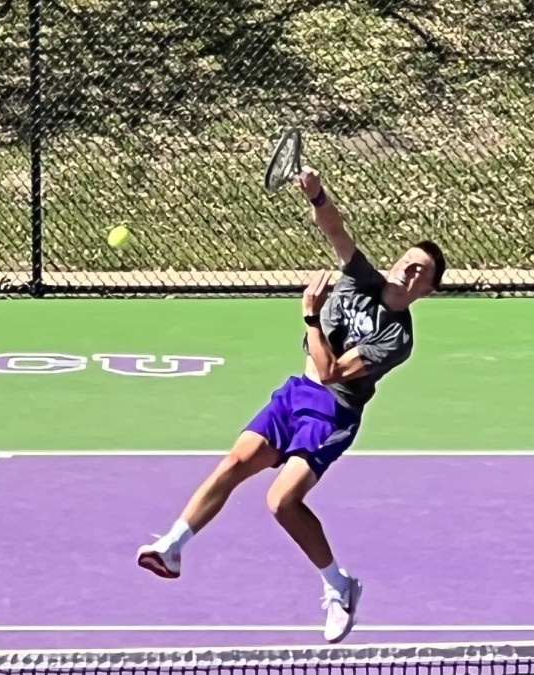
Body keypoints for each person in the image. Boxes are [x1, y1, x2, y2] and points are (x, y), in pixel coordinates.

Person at [136, 166, 447, 644]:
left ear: (427, 289)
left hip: (333, 412)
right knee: (234, 462)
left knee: (281, 501)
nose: (408, 268)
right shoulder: (361, 276)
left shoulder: (397, 338)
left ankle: (339, 587)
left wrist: (310, 317)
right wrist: (317, 194)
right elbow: (336, 230)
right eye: (407, 259)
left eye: (420, 271)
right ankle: (173, 546)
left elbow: (332, 373)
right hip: (295, 395)